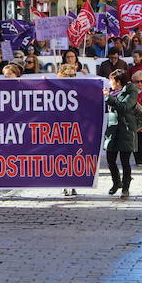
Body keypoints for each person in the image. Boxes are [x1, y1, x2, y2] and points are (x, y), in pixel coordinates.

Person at [103, 69, 139, 197]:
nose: (109, 82)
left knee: (125, 161)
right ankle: (116, 182)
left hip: (126, 129)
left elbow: (124, 107)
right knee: (110, 159)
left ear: (118, 81)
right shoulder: (110, 92)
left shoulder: (131, 91)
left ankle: (126, 187)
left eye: (111, 80)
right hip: (112, 130)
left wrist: (109, 97)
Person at [56, 64, 79, 197]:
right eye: (69, 75)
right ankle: (64, 184)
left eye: (73, 75)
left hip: (75, 128)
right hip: (58, 128)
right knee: (61, 157)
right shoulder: (55, 89)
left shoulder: (78, 88)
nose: (72, 78)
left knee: (74, 156)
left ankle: (74, 184)